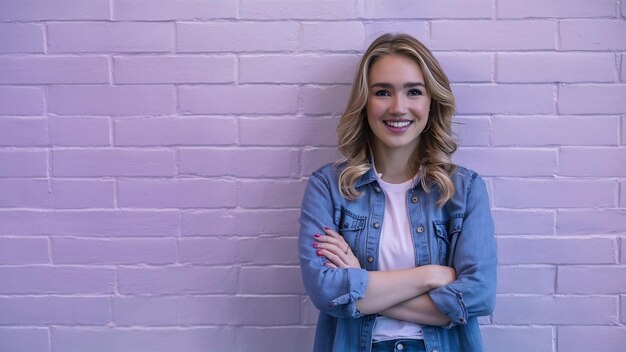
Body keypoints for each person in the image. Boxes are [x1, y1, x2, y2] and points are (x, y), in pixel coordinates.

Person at [298, 33, 497, 352]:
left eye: (413, 91)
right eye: (382, 92)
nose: (398, 107)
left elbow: (479, 296)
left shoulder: (465, 190)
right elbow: (325, 292)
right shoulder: (328, 188)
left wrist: (359, 285)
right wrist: (430, 275)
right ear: (365, 102)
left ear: (431, 101)